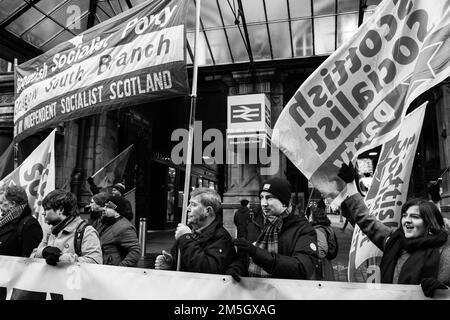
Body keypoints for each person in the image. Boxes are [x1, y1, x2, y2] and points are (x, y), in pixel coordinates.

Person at [338, 163, 450, 297]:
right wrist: (351, 184)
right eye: (404, 216)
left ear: (428, 223)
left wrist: (443, 290)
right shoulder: (394, 241)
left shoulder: (443, 250)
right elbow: (366, 220)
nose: (407, 220)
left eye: (415, 217)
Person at [226, 177, 319, 281]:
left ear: (284, 201)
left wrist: (257, 253)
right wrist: (236, 269)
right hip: (253, 292)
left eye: (269, 197)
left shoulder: (303, 229)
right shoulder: (254, 225)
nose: (263, 203)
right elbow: (243, 259)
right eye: (261, 197)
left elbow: (302, 269)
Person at [154, 187, 236, 274]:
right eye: (189, 204)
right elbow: (188, 262)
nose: (188, 208)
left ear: (207, 211)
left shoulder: (221, 238)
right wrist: (172, 263)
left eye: (193, 205)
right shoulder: (189, 231)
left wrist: (186, 239)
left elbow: (207, 269)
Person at [30, 189, 102, 265]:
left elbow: (95, 262)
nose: (43, 213)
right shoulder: (51, 231)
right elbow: (32, 257)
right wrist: (44, 251)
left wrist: (61, 258)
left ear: (60, 210)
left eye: (47, 209)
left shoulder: (87, 232)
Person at [95, 195, 141, 267]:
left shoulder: (125, 227)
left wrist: (120, 269)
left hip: (112, 272)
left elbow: (135, 251)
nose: (104, 208)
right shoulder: (104, 221)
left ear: (117, 212)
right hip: (103, 269)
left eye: (108, 207)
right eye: (104, 206)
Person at [0, 186, 43, 257]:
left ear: (12, 204)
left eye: (1, 203)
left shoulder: (30, 225)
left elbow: (30, 260)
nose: (0, 207)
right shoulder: (5, 221)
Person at [311, 199, 337, 281]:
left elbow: (321, 251)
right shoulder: (328, 227)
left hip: (321, 264)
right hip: (327, 262)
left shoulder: (318, 230)